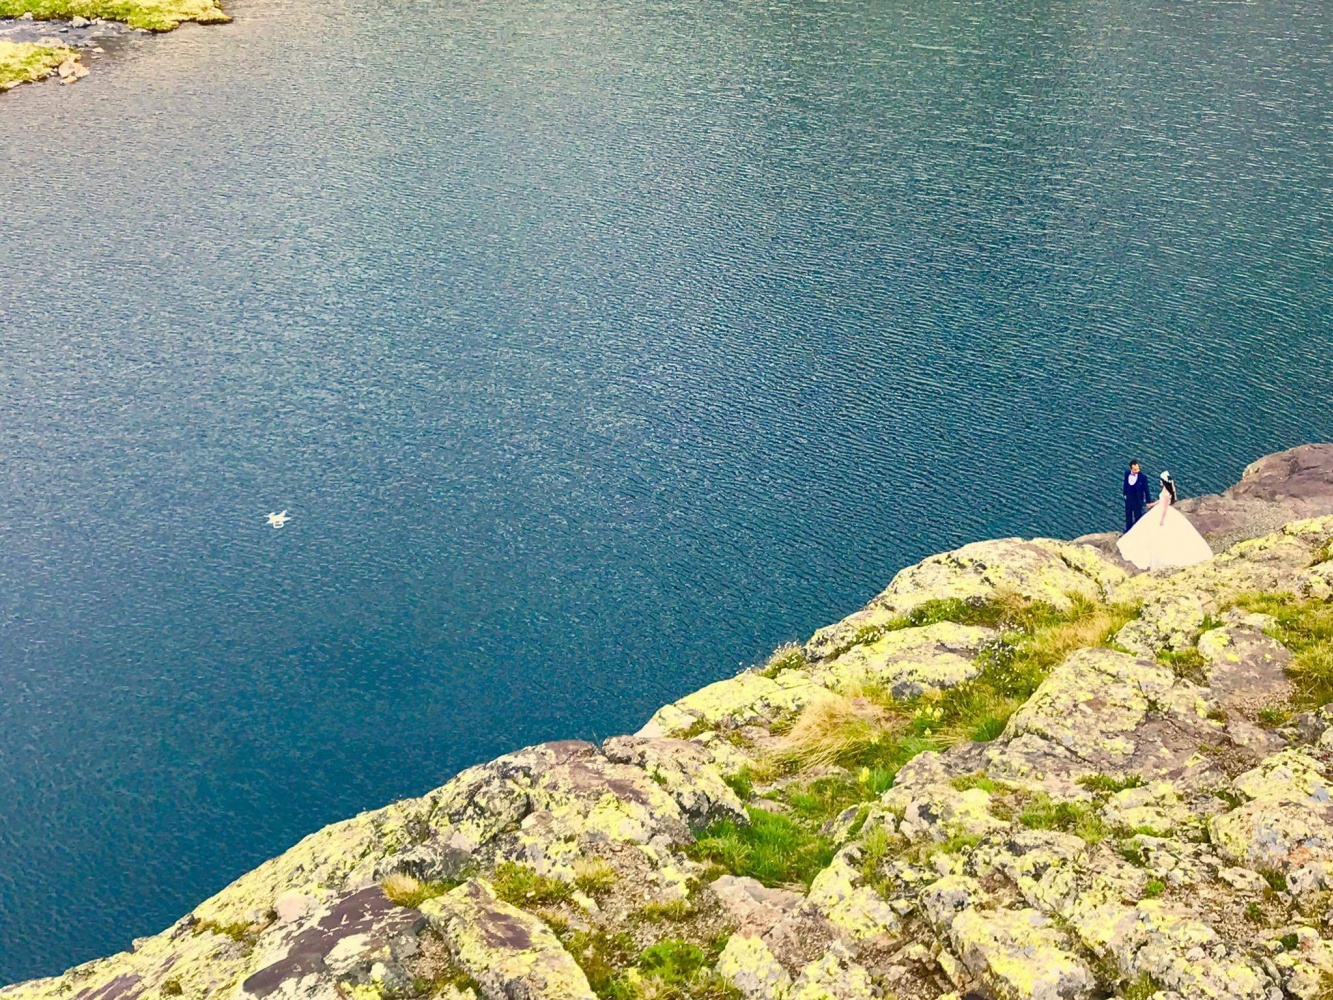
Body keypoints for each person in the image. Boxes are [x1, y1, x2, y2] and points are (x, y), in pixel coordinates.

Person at [1116, 471, 1214, 570]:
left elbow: (1165, 506)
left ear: (1164, 481)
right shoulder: (1166, 490)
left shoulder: (1167, 493)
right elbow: (1161, 501)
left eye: (1161, 480)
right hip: (1159, 509)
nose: (1160, 482)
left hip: (1163, 512)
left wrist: (1162, 519)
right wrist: (1152, 504)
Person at [1123, 460, 1152, 531]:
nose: (1137, 471)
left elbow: (1146, 490)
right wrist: (1124, 494)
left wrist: (1148, 502)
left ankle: (1137, 532)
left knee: (1138, 517)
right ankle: (1128, 532)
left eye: (1138, 469)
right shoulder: (1127, 474)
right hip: (1129, 500)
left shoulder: (1143, 477)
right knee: (1128, 517)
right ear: (1131, 469)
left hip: (1137, 501)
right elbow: (1125, 484)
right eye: (1135, 469)